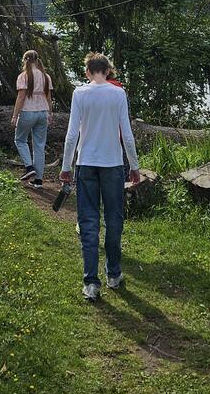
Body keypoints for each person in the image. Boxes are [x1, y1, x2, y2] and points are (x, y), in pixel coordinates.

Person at [59, 53, 140, 301]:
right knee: (114, 220)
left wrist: (66, 167)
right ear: (108, 71)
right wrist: (134, 166)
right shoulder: (118, 94)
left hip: (86, 164)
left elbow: (72, 135)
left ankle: (91, 283)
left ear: (87, 72)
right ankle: (113, 275)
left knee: (88, 222)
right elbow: (126, 134)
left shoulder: (79, 94)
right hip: (113, 164)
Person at [10, 50, 52, 188]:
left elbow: (21, 97)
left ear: (25, 60)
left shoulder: (24, 76)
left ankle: (29, 168)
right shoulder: (46, 77)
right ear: (37, 60)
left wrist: (15, 116)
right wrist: (50, 114)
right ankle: (38, 181)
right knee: (39, 146)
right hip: (43, 113)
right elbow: (49, 98)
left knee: (20, 140)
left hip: (28, 112)